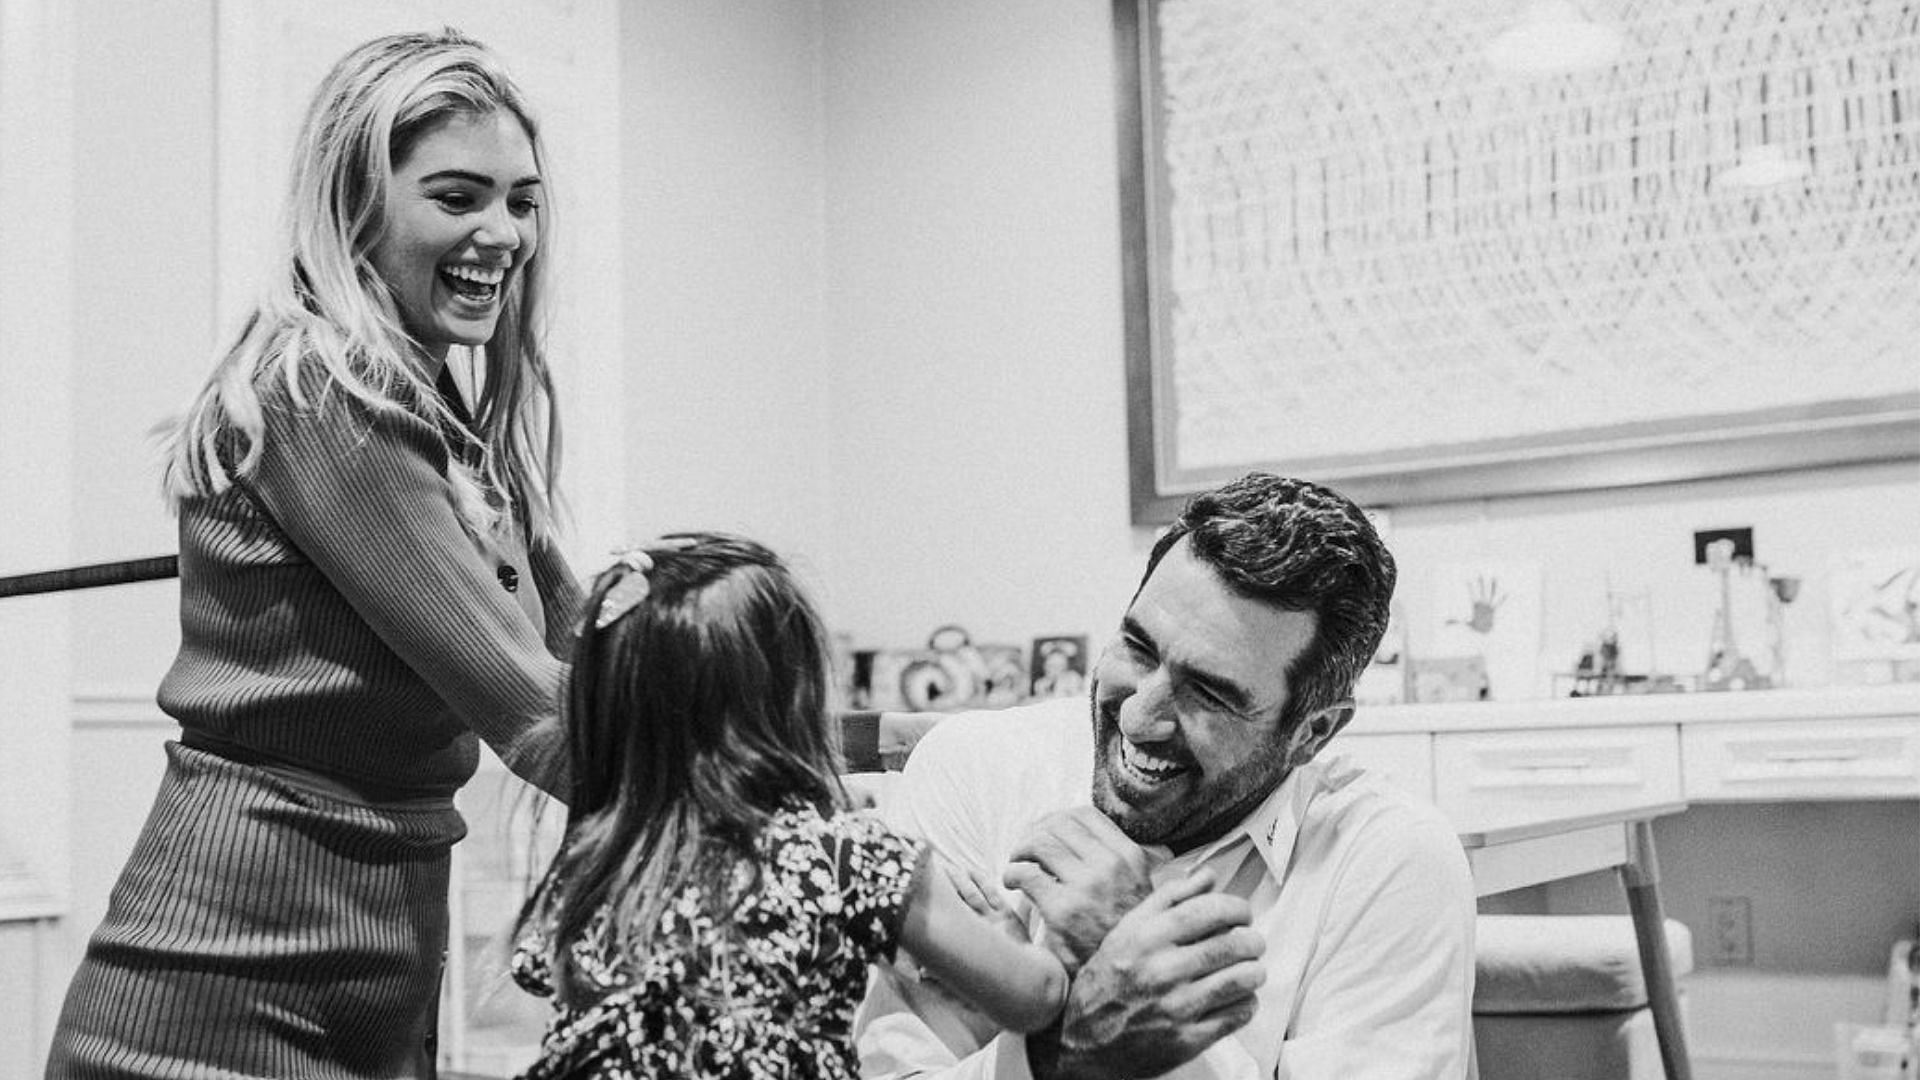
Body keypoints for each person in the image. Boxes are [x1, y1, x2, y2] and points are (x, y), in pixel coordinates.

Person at [47, 30, 579, 1079]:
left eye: (521, 199)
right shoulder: (325, 394)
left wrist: (876, 742)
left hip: (362, 982)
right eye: (458, 195)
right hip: (219, 1006)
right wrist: (858, 854)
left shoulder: (440, 411)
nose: (502, 232)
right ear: (356, 203)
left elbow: (613, 677)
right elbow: (542, 719)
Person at [857, 473, 1477, 1079]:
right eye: (1139, 647)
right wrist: (1057, 1057)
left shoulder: (1389, 858)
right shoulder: (976, 773)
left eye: (1210, 693)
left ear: (1312, 733)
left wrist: (1129, 956)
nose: (1138, 716)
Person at [509, 534, 1073, 1079]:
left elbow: (538, 970)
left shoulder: (597, 858)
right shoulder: (851, 856)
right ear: (795, 705)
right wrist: (1010, 933)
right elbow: (1032, 998)